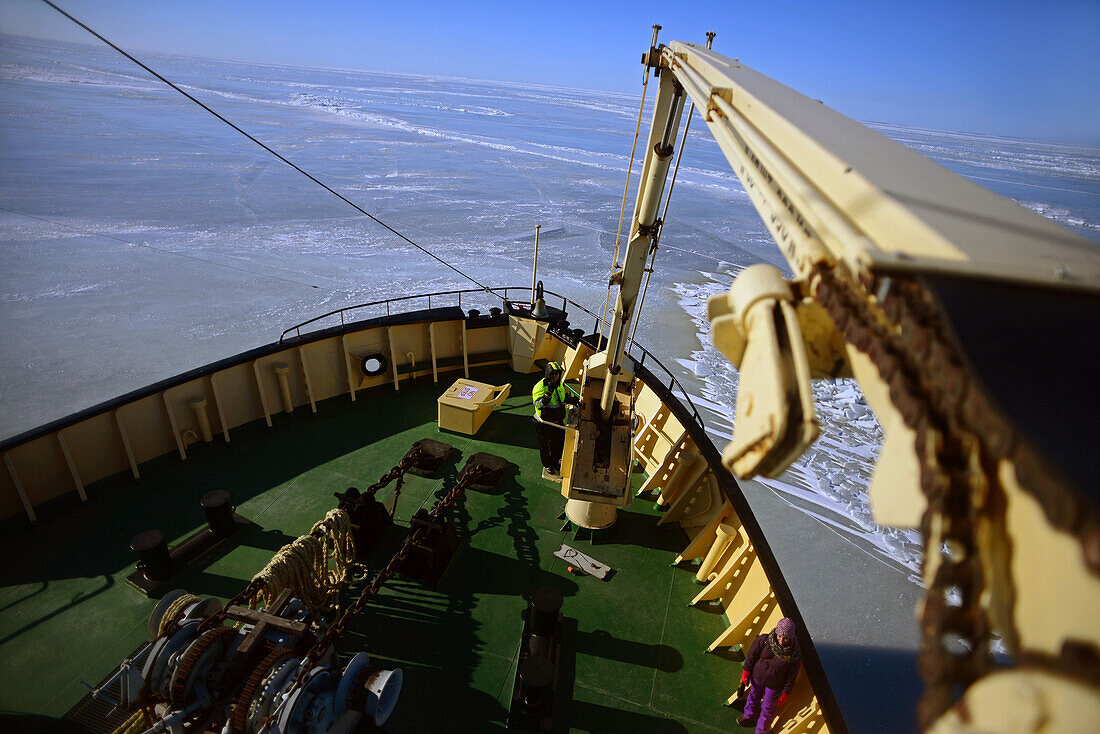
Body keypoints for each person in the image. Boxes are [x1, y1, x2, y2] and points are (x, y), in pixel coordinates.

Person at [737, 617, 801, 732]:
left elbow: (791, 677)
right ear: (776, 632)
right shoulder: (764, 641)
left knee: (768, 709)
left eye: (785, 638)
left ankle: (761, 731)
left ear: (791, 637)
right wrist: (746, 671)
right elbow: (752, 656)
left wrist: (786, 692)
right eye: (779, 636)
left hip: (775, 685)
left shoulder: (793, 656)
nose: (781, 640)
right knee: (753, 696)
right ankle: (749, 717)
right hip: (758, 677)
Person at [531, 361, 578, 478]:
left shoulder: (559, 384)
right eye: (552, 374)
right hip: (544, 423)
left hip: (557, 422)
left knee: (558, 443)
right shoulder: (539, 387)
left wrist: (572, 400)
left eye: (557, 374)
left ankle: (555, 461)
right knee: (544, 446)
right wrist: (548, 392)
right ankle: (547, 465)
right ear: (547, 374)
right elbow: (539, 404)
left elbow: (562, 398)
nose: (555, 376)